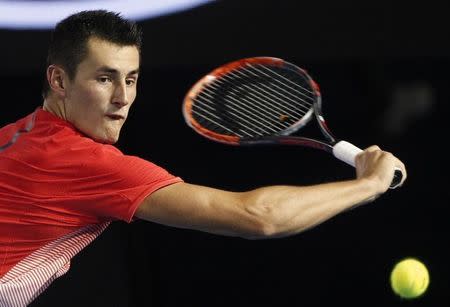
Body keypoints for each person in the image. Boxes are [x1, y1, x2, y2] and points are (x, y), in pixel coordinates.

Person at [0, 9, 406, 306]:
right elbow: (257, 217)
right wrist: (368, 184)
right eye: (104, 79)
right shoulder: (85, 163)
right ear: (58, 80)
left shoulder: (14, 137)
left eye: (132, 79)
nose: (122, 98)